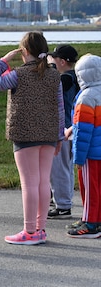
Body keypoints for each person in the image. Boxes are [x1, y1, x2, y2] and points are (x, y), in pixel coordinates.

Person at [0, 31, 65, 245]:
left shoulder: (18, 75)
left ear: (24, 51)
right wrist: (59, 136)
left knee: (29, 183)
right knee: (42, 181)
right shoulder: (54, 75)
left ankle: (29, 231)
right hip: (49, 134)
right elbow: (60, 106)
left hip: (25, 134)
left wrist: (3, 61)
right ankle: (39, 229)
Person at [66, 53, 101, 238]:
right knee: (99, 187)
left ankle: (90, 223)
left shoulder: (85, 97)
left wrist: (79, 158)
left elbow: (83, 132)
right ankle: (96, 219)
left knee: (89, 187)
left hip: (90, 155)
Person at [47, 45, 79, 219]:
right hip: (73, 127)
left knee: (58, 168)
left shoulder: (66, 78)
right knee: (67, 167)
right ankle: (65, 199)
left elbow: (53, 88)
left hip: (64, 129)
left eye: (54, 59)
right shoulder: (76, 77)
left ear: (62, 61)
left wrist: (50, 68)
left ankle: (63, 206)